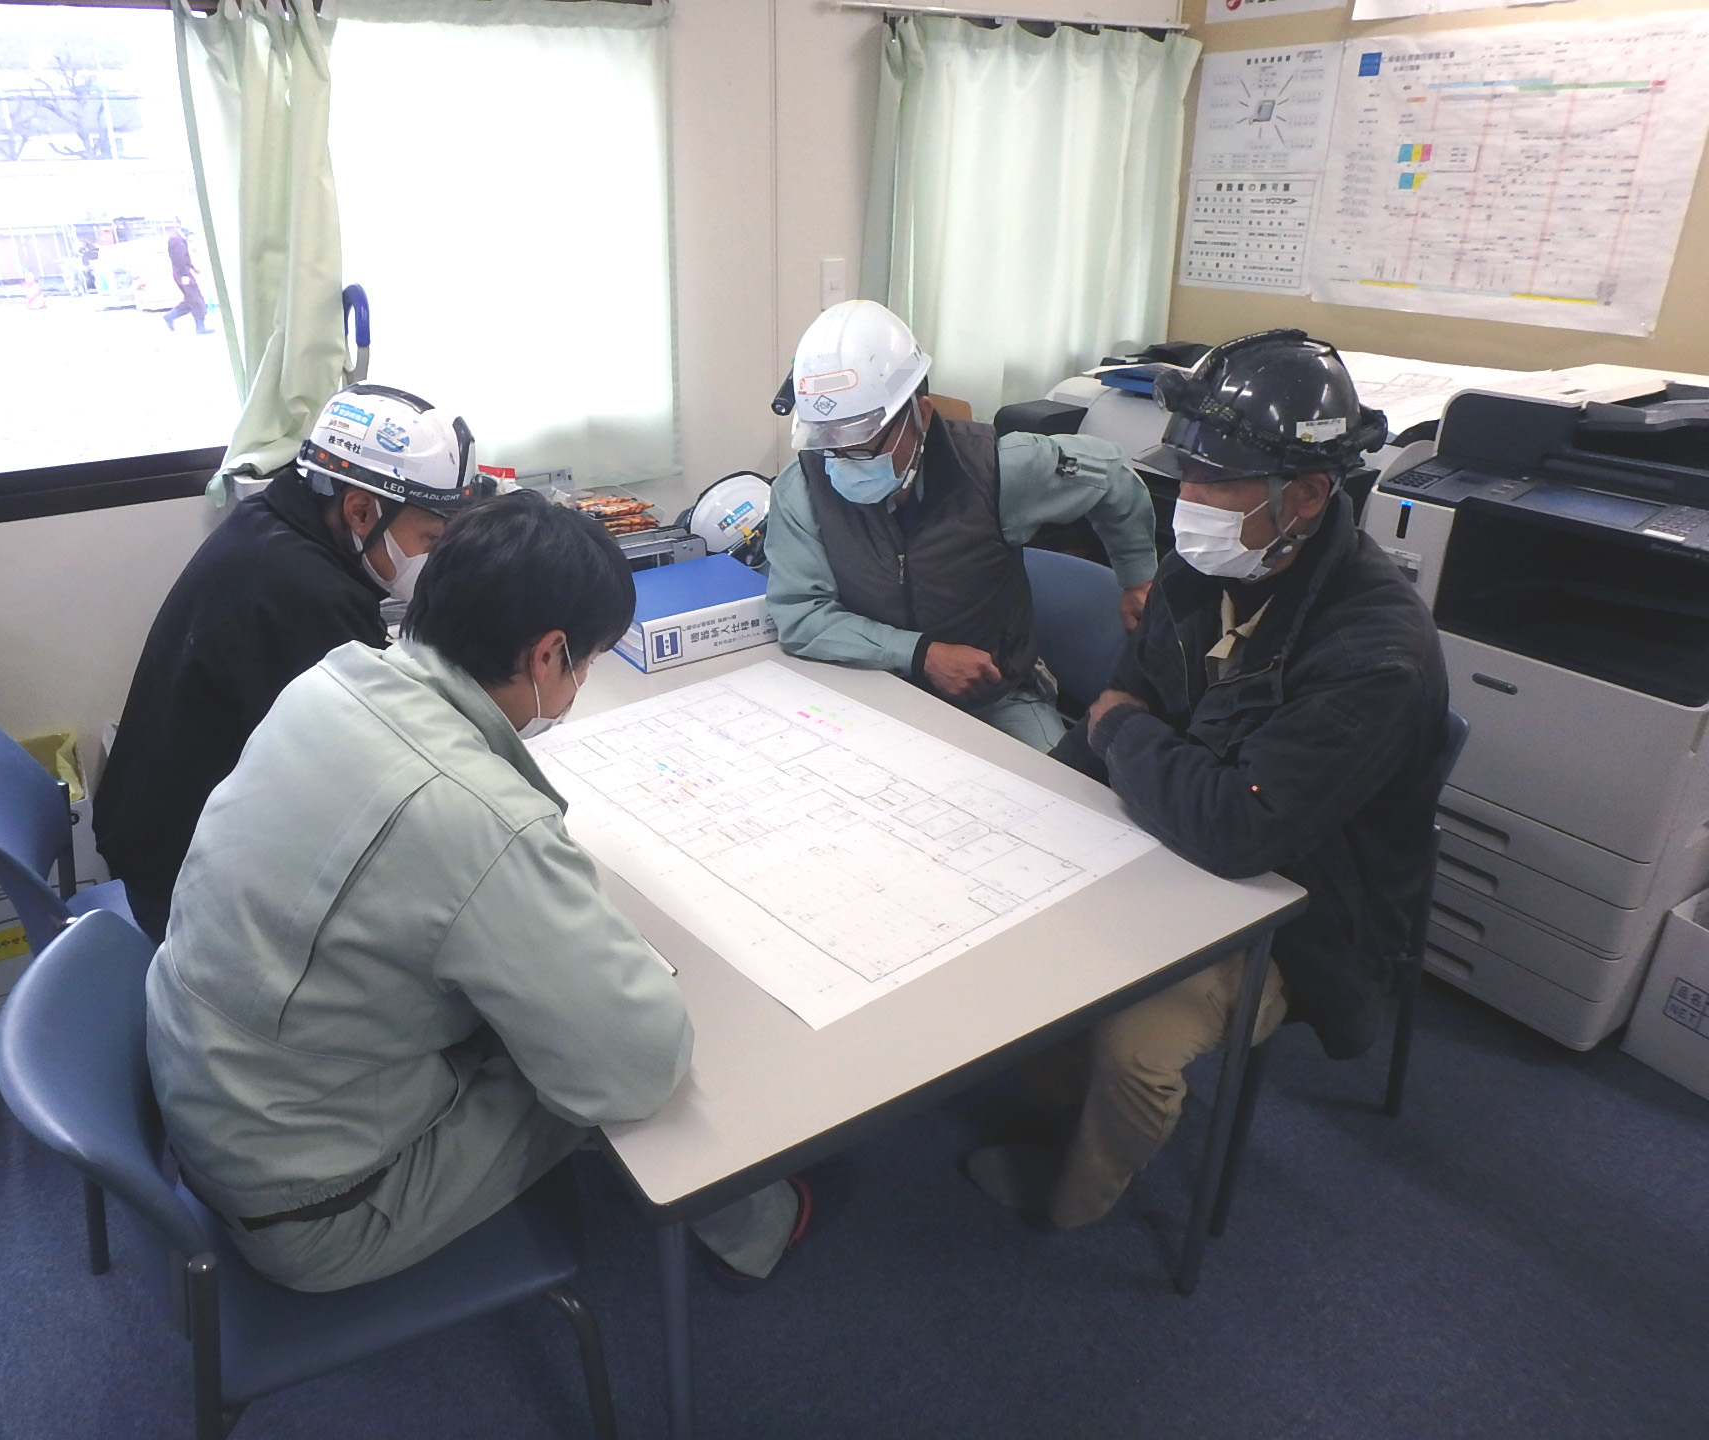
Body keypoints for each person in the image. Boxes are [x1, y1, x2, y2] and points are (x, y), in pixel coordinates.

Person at [146, 494, 809, 1293]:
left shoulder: (331, 681)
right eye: (589, 661)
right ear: (548, 655)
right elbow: (635, 1066)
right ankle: (760, 1224)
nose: (582, 681)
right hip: (319, 1205)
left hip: (213, 1088)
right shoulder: (477, 820)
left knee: (549, 1001)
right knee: (640, 1051)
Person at [966, 330, 1450, 1230]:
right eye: (1184, 475)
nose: (1185, 502)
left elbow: (1238, 826)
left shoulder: (1374, 654)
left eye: (1210, 482)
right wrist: (1038, 811)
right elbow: (1124, 703)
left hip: (1302, 905)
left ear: (1306, 495)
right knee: (1014, 905)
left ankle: (1074, 1198)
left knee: (1135, 1045)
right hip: (1172, 832)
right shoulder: (1203, 568)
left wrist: (1124, 731)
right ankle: (1050, 1082)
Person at [94, 383, 494, 939]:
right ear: (361, 510)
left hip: (156, 833)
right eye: (430, 537)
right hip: (183, 888)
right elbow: (383, 771)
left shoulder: (272, 523)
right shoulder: (305, 592)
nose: (435, 556)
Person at [764, 300, 1159, 754]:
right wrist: (921, 654)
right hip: (871, 688)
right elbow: (801, 614)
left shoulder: (1000, 469)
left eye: (861, 441)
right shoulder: (803, 489)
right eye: (827, 440)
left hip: (993, 697)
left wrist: (1137, 575)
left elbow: (1112, 476)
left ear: (921, 414)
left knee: (1055, 786)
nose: (842, 459)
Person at [162, 224, 210, 334]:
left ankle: (170, 316)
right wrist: (184, 274)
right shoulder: (176, 240)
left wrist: (192, 267)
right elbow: (179, 258)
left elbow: (182, 257)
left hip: (181, 272)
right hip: (182, 273)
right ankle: (200, 328)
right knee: (196, 299)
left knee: (191, 299)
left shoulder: (176, 239)